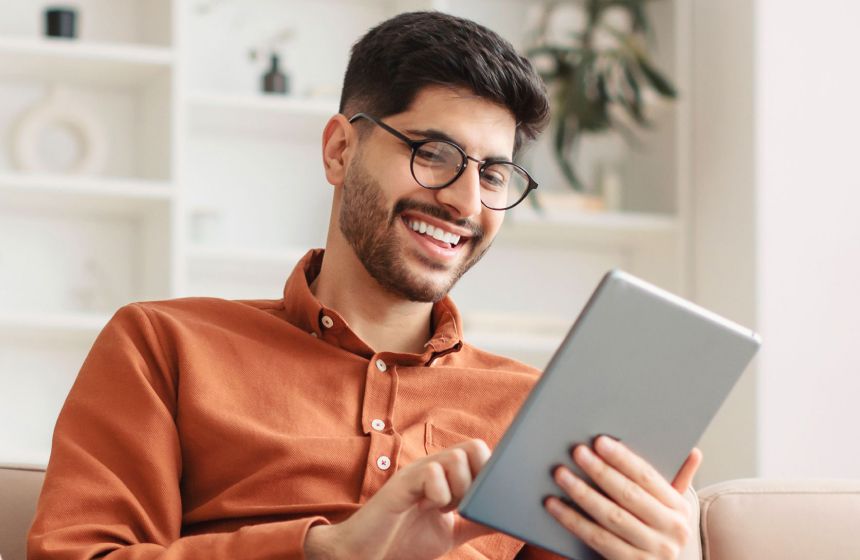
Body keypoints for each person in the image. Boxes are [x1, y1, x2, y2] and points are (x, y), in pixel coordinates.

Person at [28, 11, 701, 560]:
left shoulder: (537, 416)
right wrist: (327, 551)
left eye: (494, 175)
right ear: (339, 151)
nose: (466, 201)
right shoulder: (163, 346)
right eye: (432, 153)